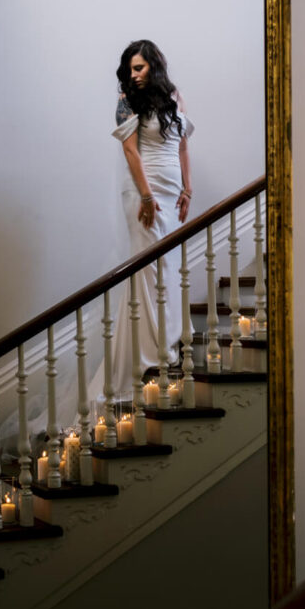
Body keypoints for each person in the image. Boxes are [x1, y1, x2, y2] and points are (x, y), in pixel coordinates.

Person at [106, 39, 194, 399]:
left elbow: (183, 144)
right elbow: (129, 149)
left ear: (154, 66)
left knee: (169, 267)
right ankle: (149, 362)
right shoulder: (126, 102)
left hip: (173, 193)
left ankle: (169, 348)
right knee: (147, 270)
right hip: (144, 192)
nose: (134, 75)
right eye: (130, 69)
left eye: (139, 68)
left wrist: (188, 189)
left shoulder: (174, 96)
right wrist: (145, 195)